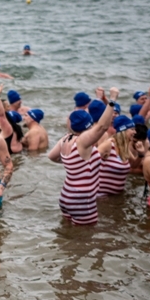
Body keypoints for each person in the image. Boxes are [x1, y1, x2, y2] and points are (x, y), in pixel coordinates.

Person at [48, 91, 114, 225]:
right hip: (82, 200)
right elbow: (102, 126)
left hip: (66, 196)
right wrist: (112, 100)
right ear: (88, 126)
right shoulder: (82, 141)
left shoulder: (65, 138)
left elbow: (52, 157)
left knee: (67, 233)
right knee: (85, 240)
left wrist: (74, 162)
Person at [97, 114, 143, 196]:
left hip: (117, 196)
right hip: (101, 196)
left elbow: (134, 165)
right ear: (123, 130)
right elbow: (89, 161)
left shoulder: (123, 146)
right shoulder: (109, 145)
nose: (135, 132)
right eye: (132, 129)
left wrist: (140, 154)